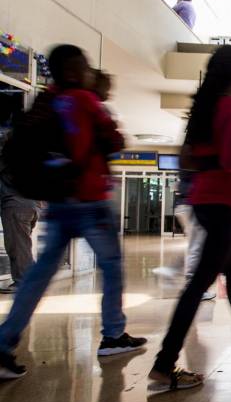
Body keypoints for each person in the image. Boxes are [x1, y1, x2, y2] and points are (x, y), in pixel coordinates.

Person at [0, 45, 147, 380]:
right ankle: (112, 334)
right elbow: (114, 140)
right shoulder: (83, 99)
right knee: (111, 266)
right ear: (71, 70)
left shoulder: (48, 98)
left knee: (38, 276)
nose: (87, 72)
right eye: (83, 66)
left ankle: (4, 342)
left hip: (61, 201)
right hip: (90, 200)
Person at [149, 45, 231, 392]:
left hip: (205, 199)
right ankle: (164, 364)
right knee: (198, 284)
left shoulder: (203, 109)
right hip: (222, 202)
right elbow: (228, 159)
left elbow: (196, 158)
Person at [0, 94, 41, 294]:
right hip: (31, 204)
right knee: (22, 244)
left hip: (18, 204)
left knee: (18, 245)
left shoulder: (14, 148)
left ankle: (25, 281)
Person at [173, 172, 215, 301]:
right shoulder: (195, 165)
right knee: (196, 246)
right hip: (191, 205)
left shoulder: (188, 165)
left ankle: (176, 271)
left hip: (185, 205)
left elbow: (178, 185)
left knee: (195, 245)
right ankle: (192, 286)